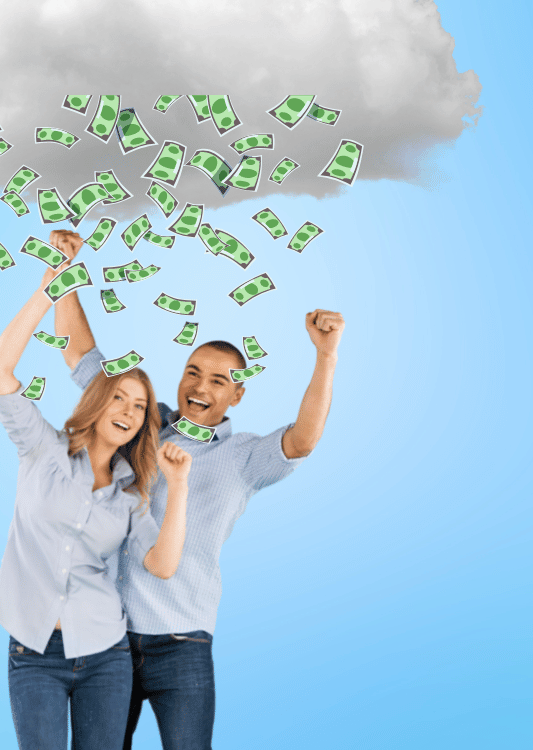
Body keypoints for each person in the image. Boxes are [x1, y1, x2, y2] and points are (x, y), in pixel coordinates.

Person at [49, 229, 345, 750]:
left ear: (237, 393)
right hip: (108, 639)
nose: (200, 387)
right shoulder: (143, 425)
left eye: (217, 379)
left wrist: (325, 356)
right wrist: (62, 270)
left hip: (183, 643)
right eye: (192, 372)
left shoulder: (244, 456)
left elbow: (303, 440)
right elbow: (84, 360)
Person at [0, 258, 193, 750]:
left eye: (140, 407)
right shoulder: (41, 447)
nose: (128, 411)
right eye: (120, 397)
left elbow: (161, 566)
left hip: (105, 655)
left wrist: (178, 486)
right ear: (99, 399)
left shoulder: (130, 494)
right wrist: (49, 290)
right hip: (33, 652)